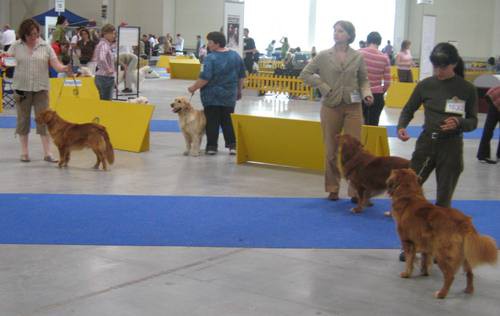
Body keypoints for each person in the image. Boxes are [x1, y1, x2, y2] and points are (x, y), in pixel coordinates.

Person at [299, 20, 373, 201]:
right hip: (330, 106)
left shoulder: (358, 56)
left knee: (355, 150)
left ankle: (356, 191)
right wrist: (323, 87)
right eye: (335, 30)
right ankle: (332, 188)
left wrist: (367, 94)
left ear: (349, 35)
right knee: (331, 150)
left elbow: (364, 80)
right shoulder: (324, 55)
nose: (336, 33)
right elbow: (305, 74)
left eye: (340, 31)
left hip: (353, 106)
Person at [397, 42, 477, 207]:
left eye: (443, 67)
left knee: (444, 197)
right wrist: (401, 126)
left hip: (451, 147)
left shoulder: (467, 88)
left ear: (454, 64)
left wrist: (459, 122)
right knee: (407, 187)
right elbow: (408, 109)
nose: (438, 71)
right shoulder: (425, 85)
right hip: (426, 143)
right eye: (435, 67)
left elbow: (473, 121)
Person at [6, 19, 71, 162]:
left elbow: (56, 64)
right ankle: (24, 153)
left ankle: (48, 153)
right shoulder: (16, 46)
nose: (33, 37)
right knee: (23, 120)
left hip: (41, 88)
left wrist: (64, 68)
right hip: (21, 89)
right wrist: (4, 63)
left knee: (46, 120)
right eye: (30, 35)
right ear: (24, 34)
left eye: (36, 33)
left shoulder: (46, 46)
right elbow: (7, 61)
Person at [187, 31, 246, 155]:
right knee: (228, 120)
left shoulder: (210, 58)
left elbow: (205, 78)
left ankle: (212, 147)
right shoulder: (235, 56)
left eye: (210, 42)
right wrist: (239, 91)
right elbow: (241, 76)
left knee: (212, 121)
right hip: (229, 95)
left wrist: (193, 87)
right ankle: (232, 146)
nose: (208, 45)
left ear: (217, 43)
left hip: (211, 96)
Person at [358, 32, 391, 126]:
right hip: (377, 95)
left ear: (367, 41)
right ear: (379, 43)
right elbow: (388, 81)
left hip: (359, 94)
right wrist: (380, 91)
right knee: (373, 126)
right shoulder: (385, 58)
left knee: (358, 127)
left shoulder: (359, 53)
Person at [476, 86, 500, 164]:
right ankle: (483, 155)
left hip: (493, 97)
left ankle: (482, 155)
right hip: (495, 99)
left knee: (488, 129)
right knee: (488, 129)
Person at [92, 24, 116, 100]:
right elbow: (102, 58)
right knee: (107, 103)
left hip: (100, 76)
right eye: (113, 33)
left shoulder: (101, 44)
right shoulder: (104, 44)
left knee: (102, 102)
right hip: (106, 77)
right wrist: (108, 69)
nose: (114, 35)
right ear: (106, 33)